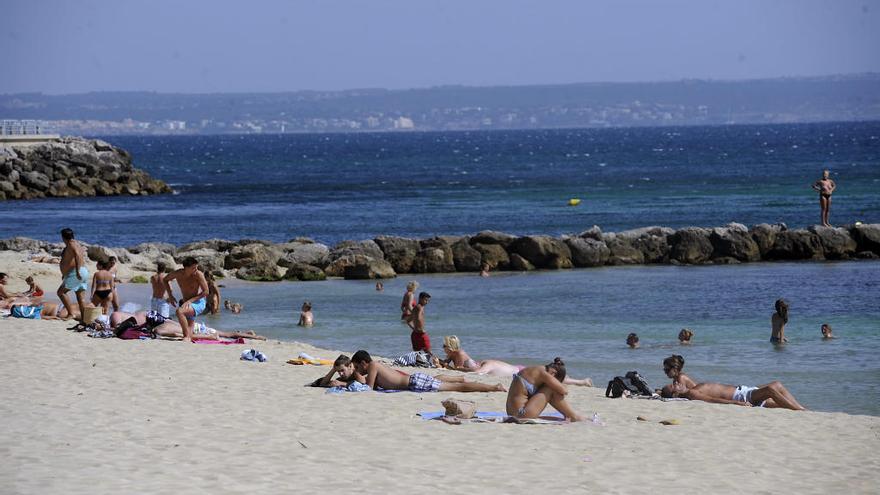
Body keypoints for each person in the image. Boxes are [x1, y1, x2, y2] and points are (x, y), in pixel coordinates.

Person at [350, 350, 505, 393]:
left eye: (357, 367)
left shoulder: (372, 366)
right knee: (436, 378)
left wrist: (355, 376)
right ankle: (458, 378)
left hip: (414, 383)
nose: (358, 370)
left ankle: (493, 387)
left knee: (458, 389)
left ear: (364, 363)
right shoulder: (375, 367)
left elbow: (368, 388)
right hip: (413, 380)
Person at [506, 358, 586, 421]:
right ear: (553, 373)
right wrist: (560, 385)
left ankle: (571, 415)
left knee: (551, 387)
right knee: (551, 388)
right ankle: (573, 416)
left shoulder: (536, 370)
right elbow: (564, 391)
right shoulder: (543, 373)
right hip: (520, 414)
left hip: (514, 413)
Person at [660, 380, 806, 410]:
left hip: (744, 391)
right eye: (674, 385)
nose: (677, 383)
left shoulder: (693, 388)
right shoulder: (692, 393)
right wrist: (737, 403)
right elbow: (712, 400)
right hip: (742, 397)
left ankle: (801, 409)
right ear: (675, 394)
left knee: (778, 389)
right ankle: (800, 411)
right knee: (772, 388)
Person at [162, 257, 209, 342]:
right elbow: (165, 280)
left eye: (196, 267)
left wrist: (190, 301)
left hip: (198, 302)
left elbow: (206, 292)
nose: (196, 269)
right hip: (186, 303)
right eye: (193, 268)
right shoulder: (178, 274)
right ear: (186, 268)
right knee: (189, 332)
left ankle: (186, 337)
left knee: (179, 312)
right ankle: (213, 336)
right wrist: (170, 296)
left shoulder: (198, 274)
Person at [468, 357, 593, 386]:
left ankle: (581, 381)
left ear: (479, 362)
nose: (473, 366)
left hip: (520, 371)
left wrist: (467, 373)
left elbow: (479, 373)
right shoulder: (490, 362)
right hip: (519, 370)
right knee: (548, 376)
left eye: (473, 365)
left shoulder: (488, 363)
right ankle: (580, 381)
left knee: (549, 377)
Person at [57, 228, 89, 321]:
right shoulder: (76, 243)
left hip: (77, 272)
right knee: (80, 297)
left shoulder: (71, 244)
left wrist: (78, 271)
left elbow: (77, 255)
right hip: (82, 271)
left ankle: (71, 314)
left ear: (63, 237)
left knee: (61, 292)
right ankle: (84, 319)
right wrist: (65, 273)